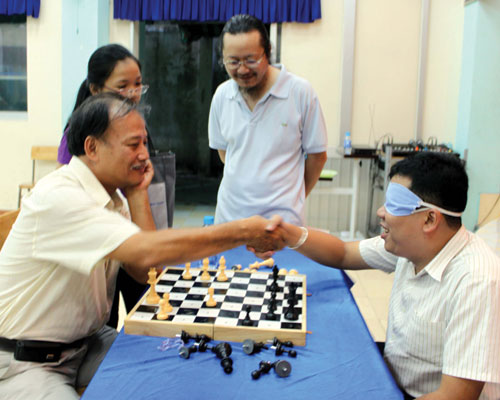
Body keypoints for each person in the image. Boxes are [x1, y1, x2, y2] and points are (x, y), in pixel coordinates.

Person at [0, 93, 284, 399]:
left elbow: (146, 271)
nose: (144, 155)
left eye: (145, 143)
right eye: (133, 144)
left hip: (87, 344)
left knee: (178, 367)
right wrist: (241, 231)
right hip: (25, 361)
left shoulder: (113, 197)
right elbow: (147, 249)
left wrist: (137, 194)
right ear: (92, 148)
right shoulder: (60, 196)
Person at [272, 152, 500, 400]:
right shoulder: (413, 245)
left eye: (394, 204)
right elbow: (344, 253)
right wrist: (285, 234)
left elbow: (455, 396)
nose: (381, 212)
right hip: (392, 374)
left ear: (429, 219)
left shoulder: (476, 281)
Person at [57, 43, 151, 329]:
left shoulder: (134, 123)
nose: (132, 93)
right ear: (96, 89)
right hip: (103, 238)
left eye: (138, 84)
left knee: (143, 307)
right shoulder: (77, 140)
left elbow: (148, 264)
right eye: (122, 86)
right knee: (103, 317)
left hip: (129, 227)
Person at [208, 14, 328, 226]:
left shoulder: (299, 93)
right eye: (233, 61)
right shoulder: (222, 95)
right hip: (229, 221)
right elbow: (225, 153)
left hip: (282, 224)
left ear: (268, 52)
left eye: (251, 60)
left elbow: (317, 157)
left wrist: (293, 198)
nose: (242, 69)